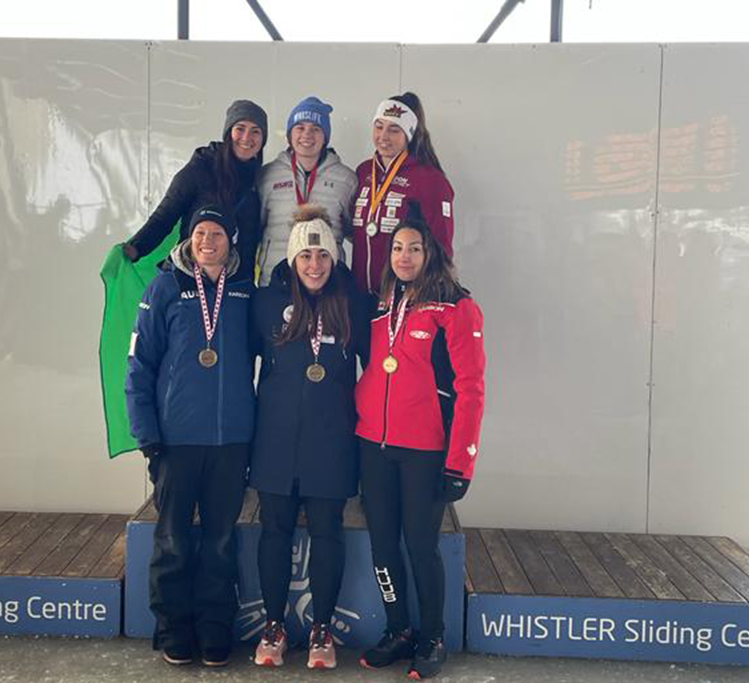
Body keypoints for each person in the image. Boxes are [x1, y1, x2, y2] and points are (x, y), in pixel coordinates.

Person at [354, 202, 485, 679]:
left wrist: (460, 462)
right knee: (383, 545)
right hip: (374, 445)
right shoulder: (381, 303)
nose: (404, 255)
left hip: (426, 452)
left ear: (432, 253)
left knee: (421, 546)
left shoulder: (456, 305)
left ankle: (432, 636)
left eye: (414, 247)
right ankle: (398, 628)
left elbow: (471, 388)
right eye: (397, 247)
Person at [125, 205, 256, 667]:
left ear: (230, 241)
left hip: (230, 442)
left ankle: (215, 627)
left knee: (221, 540)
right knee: (173, 540)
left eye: (217, 233)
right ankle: (173, 628)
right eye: (200, 232)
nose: (208, 241)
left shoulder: (244, 290)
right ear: (189, 239)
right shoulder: (164, 288)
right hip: (175, 442)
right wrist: (147, 436)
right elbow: (139, 368)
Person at [248, 205, 371, 670]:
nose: (315, 266)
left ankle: (321, 627)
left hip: (332, 440)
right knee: (274, 533)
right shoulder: (265, 304)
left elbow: (378, 368)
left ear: (334, 259)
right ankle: (274, 625)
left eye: (322, 256)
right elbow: (244, 368)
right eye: (306, 257)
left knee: (327, 532)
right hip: (275, 441)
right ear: (294, 260)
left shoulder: (355, 304)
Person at [124, 100, 268, 281]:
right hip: (192, 277)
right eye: (240, 128)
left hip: (235, 284)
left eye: (256, 131)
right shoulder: (202, 166)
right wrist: (135, 248)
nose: (247, 137)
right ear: (228, 132)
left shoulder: (260, 178)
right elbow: (165, 215)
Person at [350, 92, 455, 295]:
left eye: (394, 130)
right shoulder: (364, 172)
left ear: (409, 134)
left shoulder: (430, 180)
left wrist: (434, 293)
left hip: (405, 297)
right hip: (360, 295)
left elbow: (442, 246)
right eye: (379, 126)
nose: (383, 136)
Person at [257, 97, 358, 285]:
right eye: (300, 127)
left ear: (325, 137)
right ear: (289, 134)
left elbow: (354, 233)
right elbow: (256, 227)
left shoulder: (347, 180)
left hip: (326, 282)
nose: (307, 135)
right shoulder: (268, 175)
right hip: (276, 281)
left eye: (316, 129)